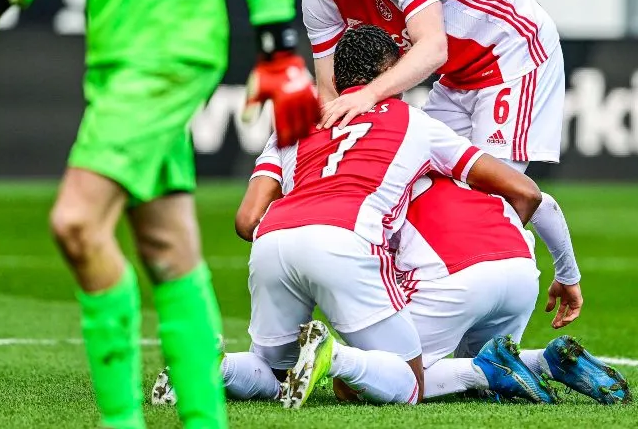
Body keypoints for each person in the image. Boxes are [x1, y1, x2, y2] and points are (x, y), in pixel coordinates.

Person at [0, 0, 319, 428]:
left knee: (76, 223)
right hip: (111, 59)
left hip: (174, 51)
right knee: (167, 248)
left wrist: (278, 45)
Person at [152, 25, 551, 408]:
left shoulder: (293, 125)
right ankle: (335, 356)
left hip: (273, 241)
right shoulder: (416, 122)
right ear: (391, 72)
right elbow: (525, 190)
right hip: (346, 238)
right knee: (410, 382)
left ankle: (208, 368)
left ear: (337, 78)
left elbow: (246, 221)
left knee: (273, 373)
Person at [285, 0, 582, 325]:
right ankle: (440, 302)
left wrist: (368, 96)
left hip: (514, 53)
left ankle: (550, 284)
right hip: (458, 76)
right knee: (414, 179)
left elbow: (432, 48)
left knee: (494, 191)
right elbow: (331, 91)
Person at [394, 173, 630, 405]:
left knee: (388, 371)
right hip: (521, 271)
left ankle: (485, 370)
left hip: (456, 277)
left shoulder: (390, 186)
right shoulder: (473, 174)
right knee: (477, 368)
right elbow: (543, 202)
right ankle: (546, 362)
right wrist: (568, 276)